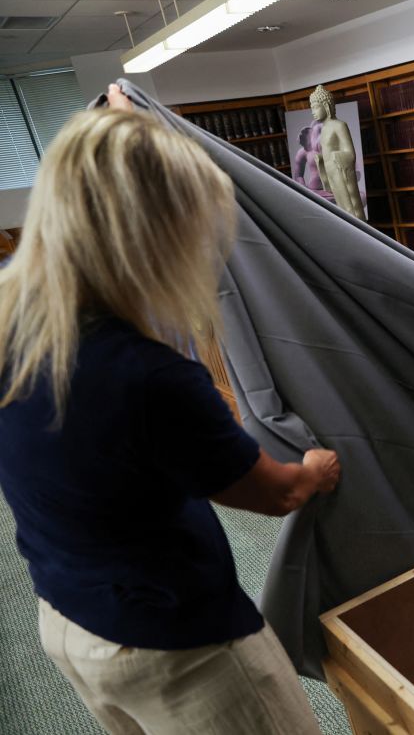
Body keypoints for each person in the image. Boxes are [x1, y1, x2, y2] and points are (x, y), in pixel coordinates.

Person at [0, 84, 339, 734]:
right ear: (148, 237)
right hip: (178, 647)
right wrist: (317, 468)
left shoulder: (14, 319)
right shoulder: (151, 379)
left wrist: (125, 135)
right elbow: (276, 493)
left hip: (69, 619)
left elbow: (93, 190)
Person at [309, 84, 366, 221]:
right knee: (342, 209)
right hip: (331, 173)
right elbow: (328, 151)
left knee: (352, 207)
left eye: (316, 107)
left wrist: (337, 156)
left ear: (326, 106)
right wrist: (321, 159)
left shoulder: (339, 125)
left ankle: (362, 233)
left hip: (342, 172)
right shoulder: (323, 129)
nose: (313, 111)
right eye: (312, 108)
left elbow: (350, 153)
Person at [292, 123, 324, 191]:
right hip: (315, 191)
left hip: (337, 191)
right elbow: (298, 176)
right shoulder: (303, 152)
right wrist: (305, 191)